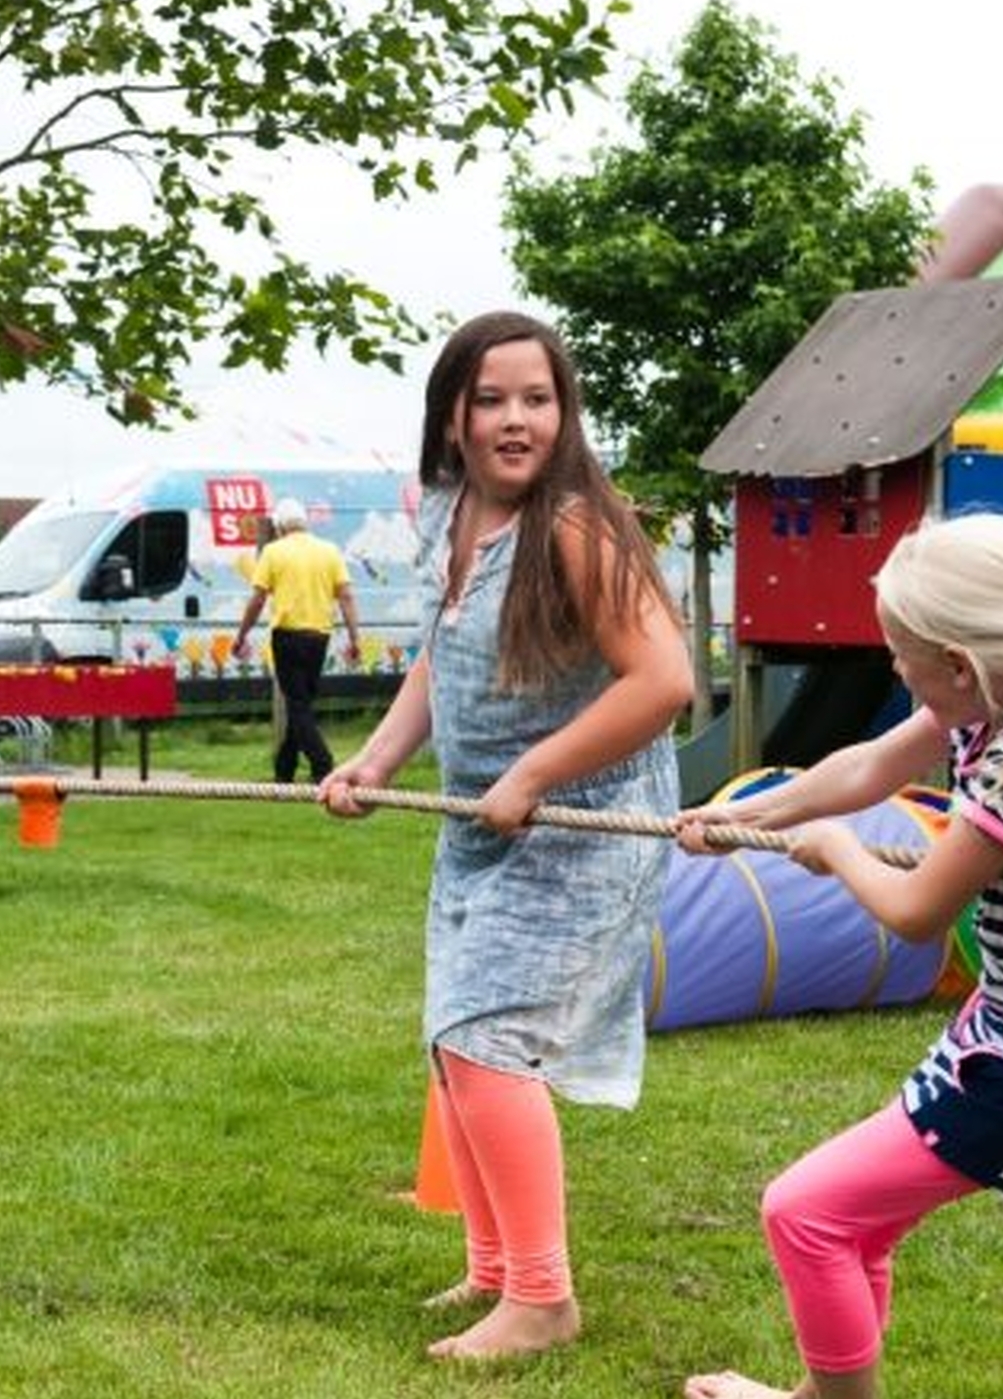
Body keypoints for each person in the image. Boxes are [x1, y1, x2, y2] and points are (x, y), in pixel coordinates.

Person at [674, 512, 1003, 1399]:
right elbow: (866, 767)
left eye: (899, 650)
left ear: (960, 665)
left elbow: (915, 909)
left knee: (807, 1212)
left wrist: (837, 849)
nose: (892, 665)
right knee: (851, 1220)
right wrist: (749, 821)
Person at [320, 310, 693, 1361]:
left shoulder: (575, 526)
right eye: (492, 400)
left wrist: (532, 772)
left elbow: (664, 681)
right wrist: (378, 760)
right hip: (483, 824)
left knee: (487, 1042)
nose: (516, 420)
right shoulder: (450, 513)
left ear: (564, 412)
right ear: (452, 414)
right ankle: (491, 1268)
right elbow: (443, 660)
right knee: (454, 1044)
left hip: (584, 825)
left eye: (538, 399)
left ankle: (541, 1296)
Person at [233, 496, 364, 784]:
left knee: (297, 705)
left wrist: (241, 635)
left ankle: (323, 765)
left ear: (279, 526)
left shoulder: (273, 551)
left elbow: (257, 600)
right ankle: (284, 769)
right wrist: (355, 638)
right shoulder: (329, 551)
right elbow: (346, 596)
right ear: (305, 522)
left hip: (287, 637)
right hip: (320, 637)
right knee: (301, 704)